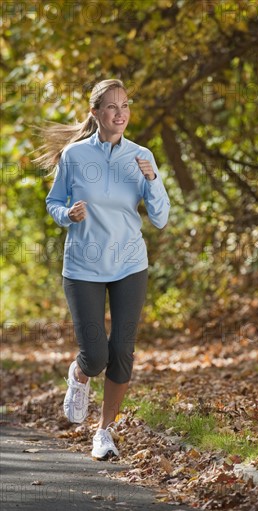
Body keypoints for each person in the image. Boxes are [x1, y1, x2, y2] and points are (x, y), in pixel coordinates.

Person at [33, 79, 170, 460]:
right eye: (112, 107)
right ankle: (79, 377)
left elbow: (160, 218)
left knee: (122, 351)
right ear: (96, 114)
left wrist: (152, 180)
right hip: (83, 266)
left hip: (129, 263)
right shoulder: (75, 156)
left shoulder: (142, 156)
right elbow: (54, 201)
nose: (121, 113)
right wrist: (66, 214)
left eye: (125, 105)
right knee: (95, 355)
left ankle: (104, 433)